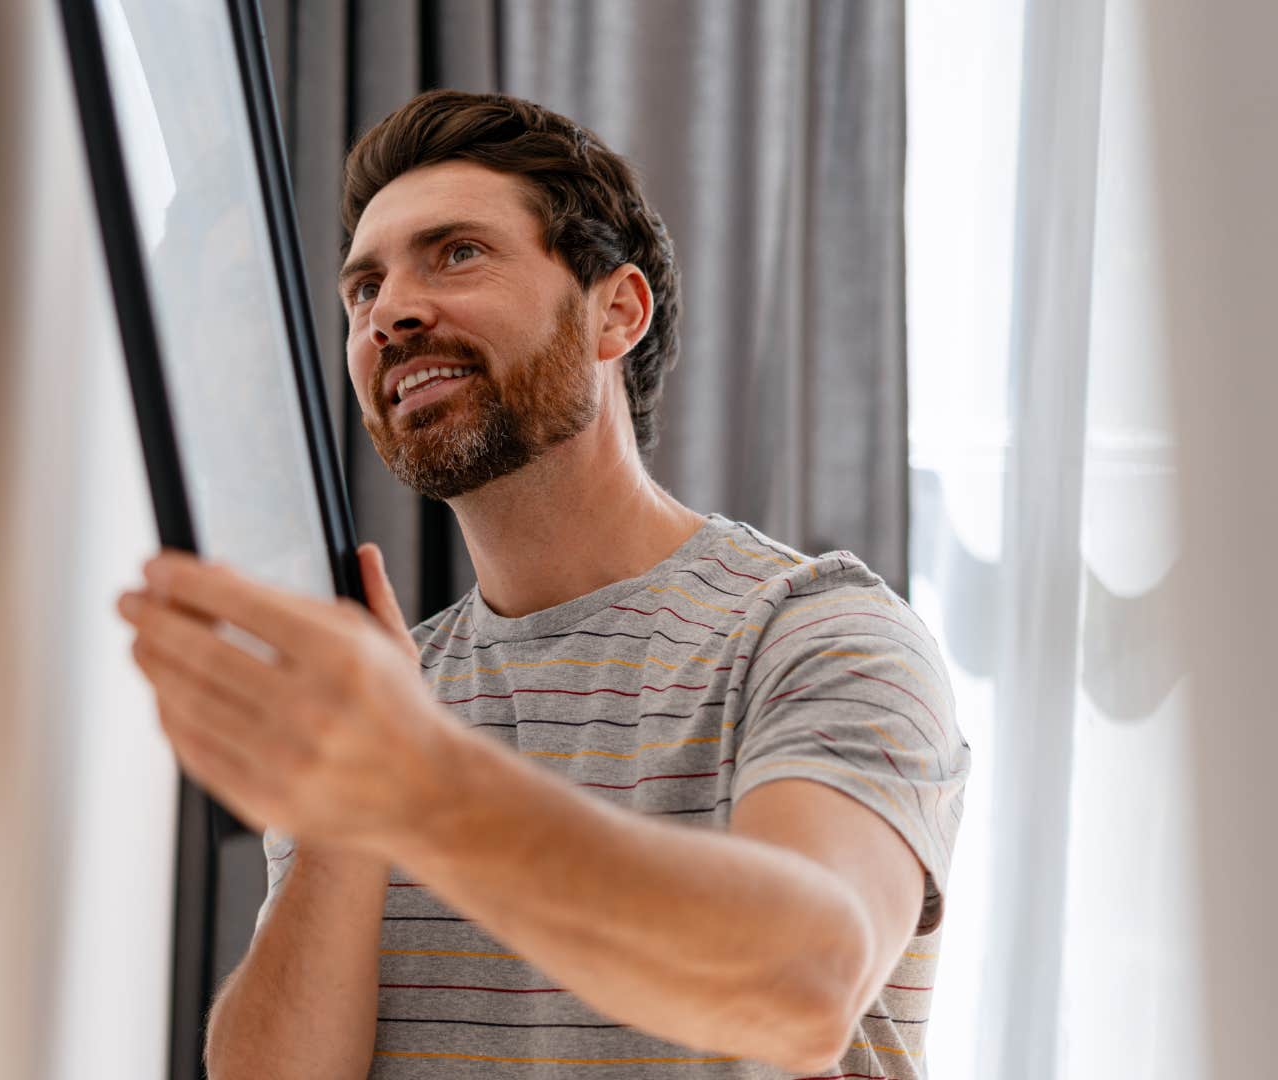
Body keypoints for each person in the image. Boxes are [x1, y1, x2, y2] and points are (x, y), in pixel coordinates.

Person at [116, 90, 970, 1079]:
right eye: (361, 291)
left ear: (617, 312)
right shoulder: (388, 696)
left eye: (457, 253)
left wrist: (408, 777)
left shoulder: (819, 633)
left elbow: (802, 987)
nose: (388, 312)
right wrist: (349, 813)